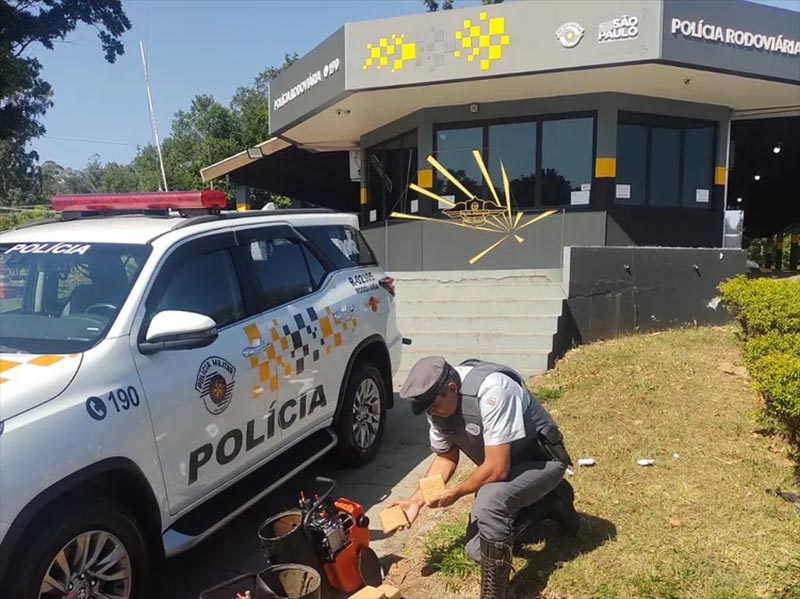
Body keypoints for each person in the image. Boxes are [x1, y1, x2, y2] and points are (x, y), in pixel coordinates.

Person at [388, 356, 579, 599]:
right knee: (476, 550)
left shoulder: (493, 390)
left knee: (490, 499)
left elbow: (497, 469)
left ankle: (493, 594)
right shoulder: (436, 404)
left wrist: (457, 492)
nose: (432, 412)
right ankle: (548, 503)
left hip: (542, 462)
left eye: (434, 406)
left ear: (452, 388)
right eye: (427, 408)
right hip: (509, 469)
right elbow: (446, 458)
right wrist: (415, 502)